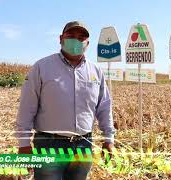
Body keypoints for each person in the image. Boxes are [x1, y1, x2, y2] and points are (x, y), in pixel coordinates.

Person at [16, 21, 116, 180]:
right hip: (49, 145)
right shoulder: (42, 67)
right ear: (61, 39)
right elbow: (27, 108)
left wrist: (109, 138)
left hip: (84, 145)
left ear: (87, 43)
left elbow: (104, 107)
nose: (76, 41)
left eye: (81, 37)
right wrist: (24, 144)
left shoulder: (96, 71)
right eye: (71, 36)